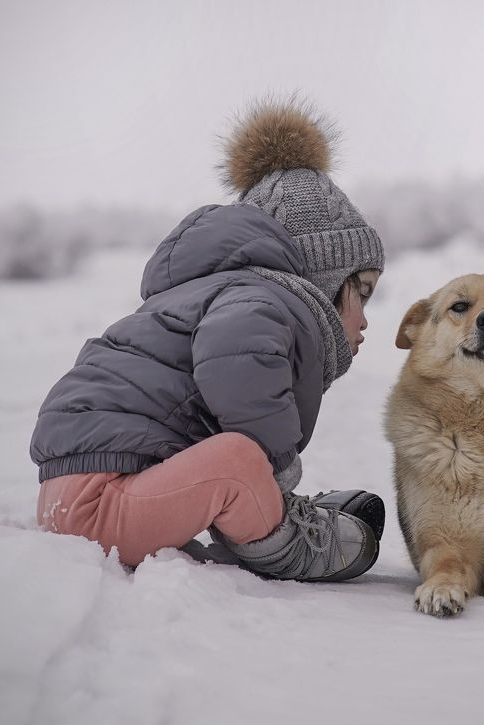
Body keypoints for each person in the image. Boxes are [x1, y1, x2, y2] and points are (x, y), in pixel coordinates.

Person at [30, 99, 386, 581]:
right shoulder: (261, 300)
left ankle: (269, 507)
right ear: (322, 280)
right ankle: (284, 540)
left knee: (238, 458)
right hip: (102, 504)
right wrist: (276, 470)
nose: (364, 319)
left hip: (78, 493)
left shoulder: (214, 293)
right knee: (240, 460)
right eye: (362, 293)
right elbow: (238, 367)